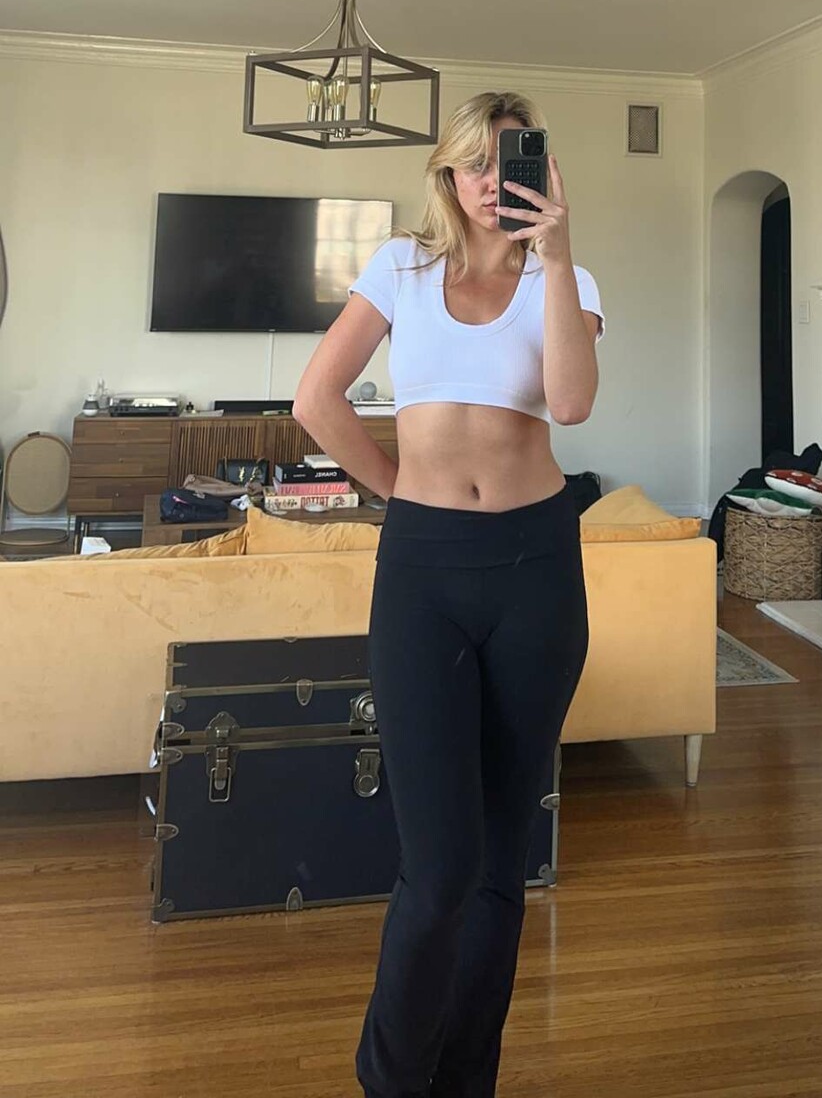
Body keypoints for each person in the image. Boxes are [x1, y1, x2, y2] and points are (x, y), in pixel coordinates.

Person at [293, 89, 604, 1098]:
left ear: (539, 173)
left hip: (535, 568)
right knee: (437, 870)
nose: (487, 181)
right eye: (472, 162)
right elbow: (316, 399)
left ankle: (467, 1081)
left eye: (508, 162)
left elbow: (570, 404)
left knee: (501, 865)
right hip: (423, 571)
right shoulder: (400, 267)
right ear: (446, 173)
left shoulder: (565, 278)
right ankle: (391, 1083)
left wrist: (557, 251)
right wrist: (397, 491)